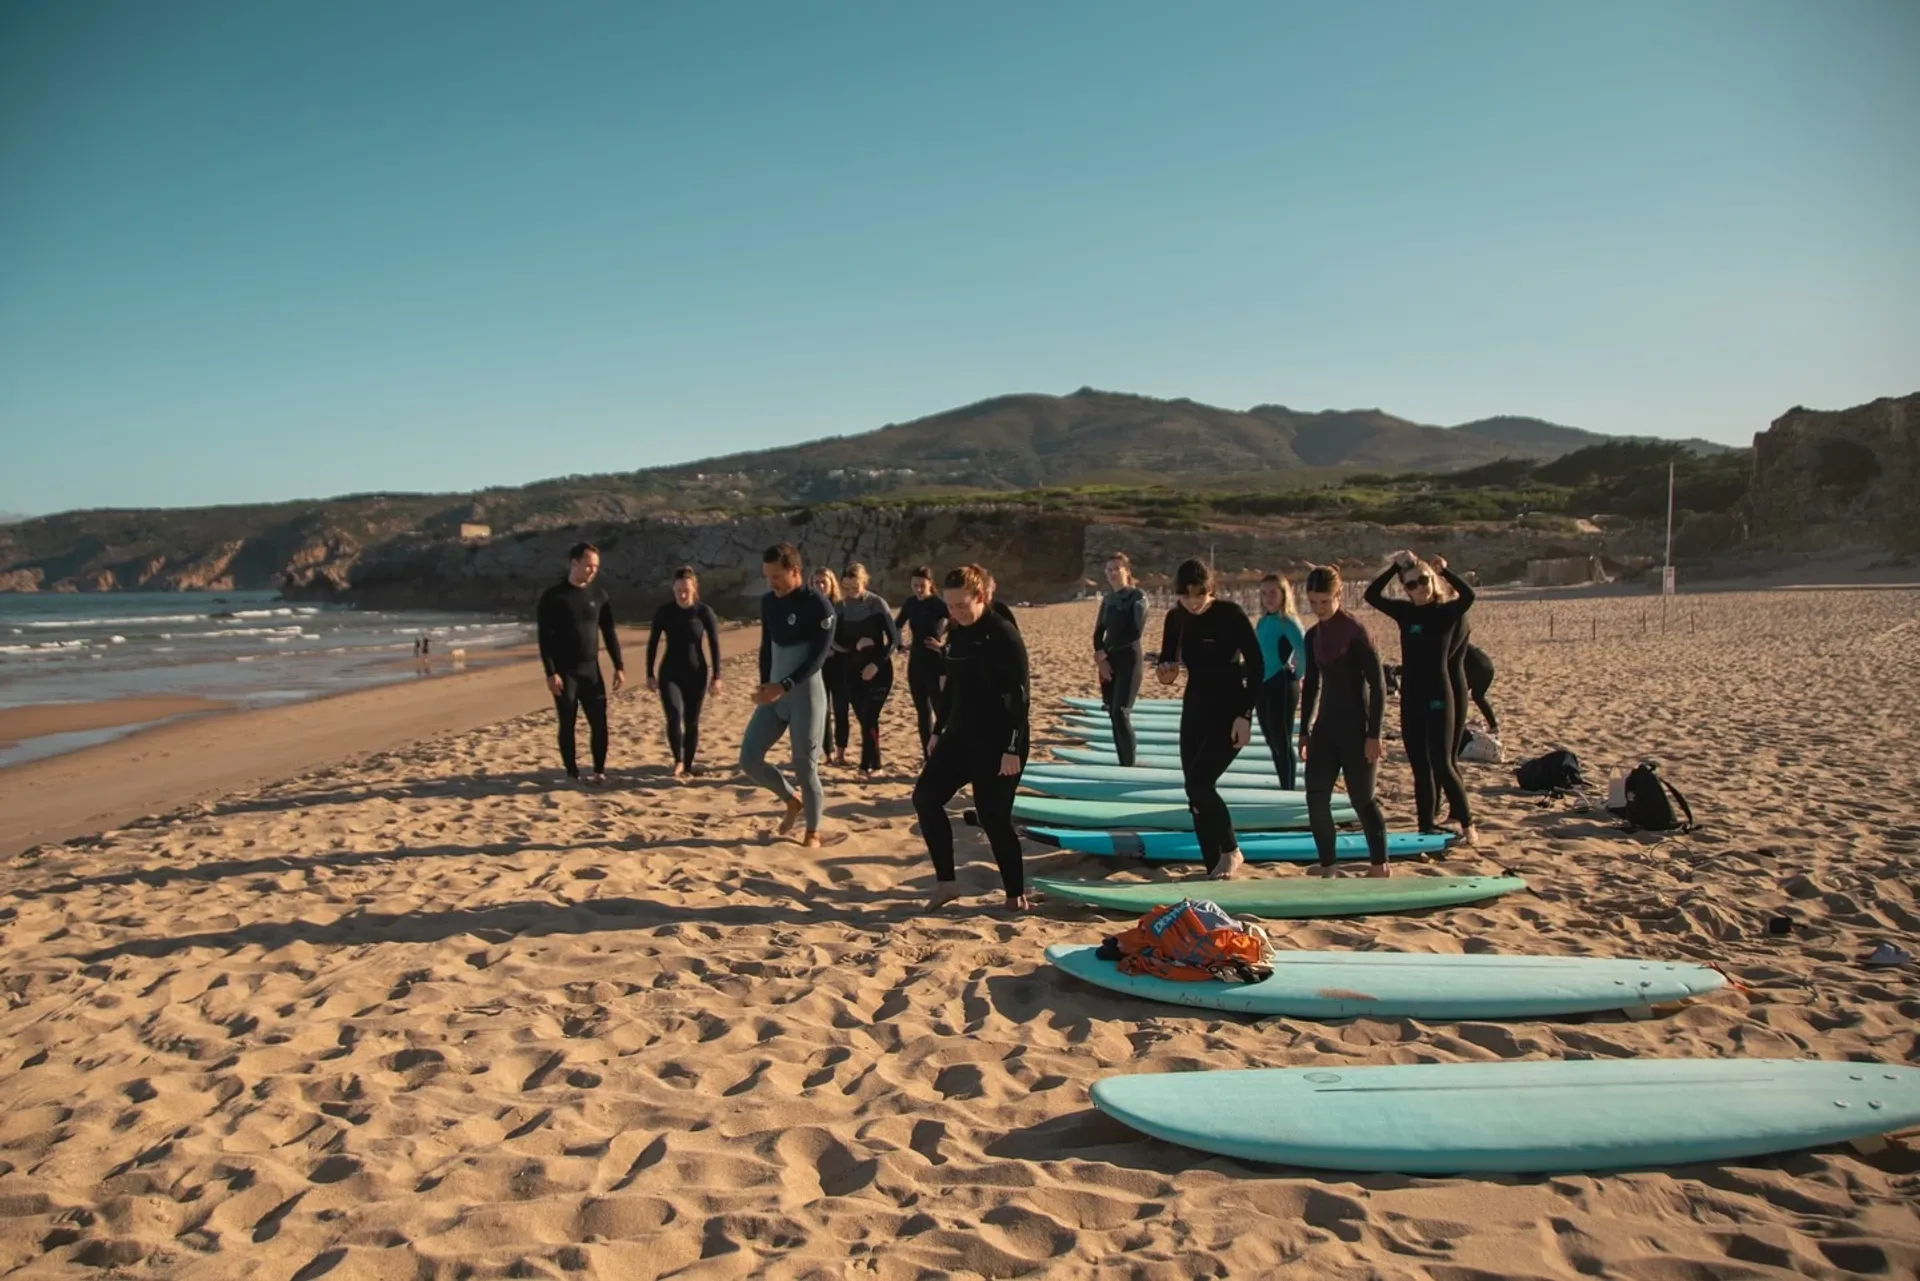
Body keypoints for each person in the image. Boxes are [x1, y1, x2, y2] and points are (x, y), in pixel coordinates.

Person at [914, 563, 1031, 912]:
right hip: (960, 736)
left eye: (961, 605)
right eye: (950, 606)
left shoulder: (1003, 633)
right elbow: (952, 688)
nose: (955, 612)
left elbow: (1020, 696)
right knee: (925, 797)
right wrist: (937, 732)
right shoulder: (958, 631)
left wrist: (1012, 748)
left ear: (980, 597)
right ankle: (946, 883)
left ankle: (1015, 896)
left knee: (992, 816)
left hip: (999, 742)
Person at [1155, 558, 1263, 880]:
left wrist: (1245, 715)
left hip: (1229, 710)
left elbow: (1258, 666)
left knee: (1201, 782)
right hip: (1194, 709)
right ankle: (1213, 868)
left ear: (1209, 589)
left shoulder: (1231, 614)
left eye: (1198, 595)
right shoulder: (1175, 617)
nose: (1192, 602)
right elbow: (1166, 667)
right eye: (1186, 596)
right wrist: (1167, 673)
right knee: (1195, 792)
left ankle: (1231, 850)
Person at [1364, 550, 1479, 843]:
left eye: (1424, 581)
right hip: (1411, 698)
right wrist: (1395, 566)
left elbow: (1468, 597)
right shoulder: (1405, 613)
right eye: (1412, 584)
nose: (1420, 587)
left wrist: (1445, 571)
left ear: (1433, 581)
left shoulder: (1446, 612)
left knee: (1442, 762)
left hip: (1439, 695)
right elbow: (1372, 595)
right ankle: (1426, 824)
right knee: (1419, 766)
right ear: (1406, 589)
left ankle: (1467, 824)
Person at [1298, 564, 1391, 876]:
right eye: (1313, 602)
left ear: (1338, 595)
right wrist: (1304, 732)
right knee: (1315, 795)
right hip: (1325, 728)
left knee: (1362, 799)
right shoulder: (1312, 636)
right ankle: (1328, 865)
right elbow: (1311, 685)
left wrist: (1374, 734)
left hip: (1358, 728)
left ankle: (1379, 865)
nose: (1319, 608)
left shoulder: (1356, 632)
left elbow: (1378, 685)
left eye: (1325, 601)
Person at [739, 544, 834, 846]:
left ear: (796, 572)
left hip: (805, 694)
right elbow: (767, 647)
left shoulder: (819, 606)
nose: (771, 583)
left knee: (805, 766)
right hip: (775, 692)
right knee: (749, 759)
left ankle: (813, 831)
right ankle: (791, 799)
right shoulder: (769, 602)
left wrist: (786, 685)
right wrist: (765, 684)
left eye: (777, 576)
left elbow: (817, 658)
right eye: (767, 576)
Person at [536, 541, 625, 785]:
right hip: (565, 672)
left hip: (591, 670)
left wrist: (619, 665)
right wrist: (550, 673)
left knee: (599, 722)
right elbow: (544, 638)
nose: (593, 571)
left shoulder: (599, 596)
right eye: (588, 566)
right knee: (568, 722)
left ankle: (598, 771)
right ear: (574, 563)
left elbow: (609, 633)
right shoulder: (553, 597)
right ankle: (572, 772)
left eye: (596, 567)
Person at [646, 566, 723, 778]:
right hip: (670, 672)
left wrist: (717, 676)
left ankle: (688, 764)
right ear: (673, 589)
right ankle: (678, 760)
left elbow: (715, 644)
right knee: (674, 714)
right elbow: (652, 643)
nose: (682, 594)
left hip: (696, 673)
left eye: (686, 590)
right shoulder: (664, 612)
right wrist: (650, 674)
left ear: (694, 589)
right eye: (678, 590)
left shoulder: (703, 612)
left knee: (691, 721)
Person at [837, 563, 902, 776]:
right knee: (864, 718)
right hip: (850, 670)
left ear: (864, 581)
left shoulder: (876, 604)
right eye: (846, 586)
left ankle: (866, 766)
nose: (851, 590)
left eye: (854, 585)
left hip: (879, 670)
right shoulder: (841, 607)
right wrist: (853, 647)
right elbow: (833, 642)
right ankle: (876, 764)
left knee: (869, 715)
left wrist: (876, 664)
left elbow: (893, 640)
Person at [1253, 572, 1307, 789]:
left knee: (1282, 740)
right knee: (1270, 739)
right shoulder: (1263, 621)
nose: (1268, 597)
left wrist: (1298, 674)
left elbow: (1303, 649)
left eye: (1273, 592)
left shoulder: (1288, 621)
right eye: (1264, 593)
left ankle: (1288, 788)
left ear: (1284, 594)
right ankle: (1284, 784)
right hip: (1263, 685)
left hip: (1282, 684)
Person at [1093, 552, 1147, 767]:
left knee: (1121, 712)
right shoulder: (1108, 600)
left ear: (1127, 571)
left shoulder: (1137, 597)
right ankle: (1122, 763)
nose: (1112, 573)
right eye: (1109, 569)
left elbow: (1135, 632)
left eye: (1117, 568)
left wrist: (1106, 653)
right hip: (1108, 662)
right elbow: (1098, 632)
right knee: (1112, 714)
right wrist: (1101, 657)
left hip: (1130, 660)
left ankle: (1129, 765)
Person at [894, 566, 950, 757]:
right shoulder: (910, 603)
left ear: (930, 584)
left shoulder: (938, 603)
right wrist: (900, 645)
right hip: (916, 661)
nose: (918, 589)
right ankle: (929, 755)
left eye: (922, 586)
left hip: (936, 661)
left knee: (940, 709)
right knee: (922, 711)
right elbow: (896, 625)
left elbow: (957, 621)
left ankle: (947, 752)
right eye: (915, 585)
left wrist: (943, 644)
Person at [811, 567, 851, 766]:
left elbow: (849, 636)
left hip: (841, 664)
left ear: (831, 583)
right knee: (822, 711)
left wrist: (835, 648)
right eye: (816, 582)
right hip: (818, 665)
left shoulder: (841, 606)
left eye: (823, 582)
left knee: (841, 708)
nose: (820, 586)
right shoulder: (809, 606)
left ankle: (841, 753)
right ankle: (828, 753)